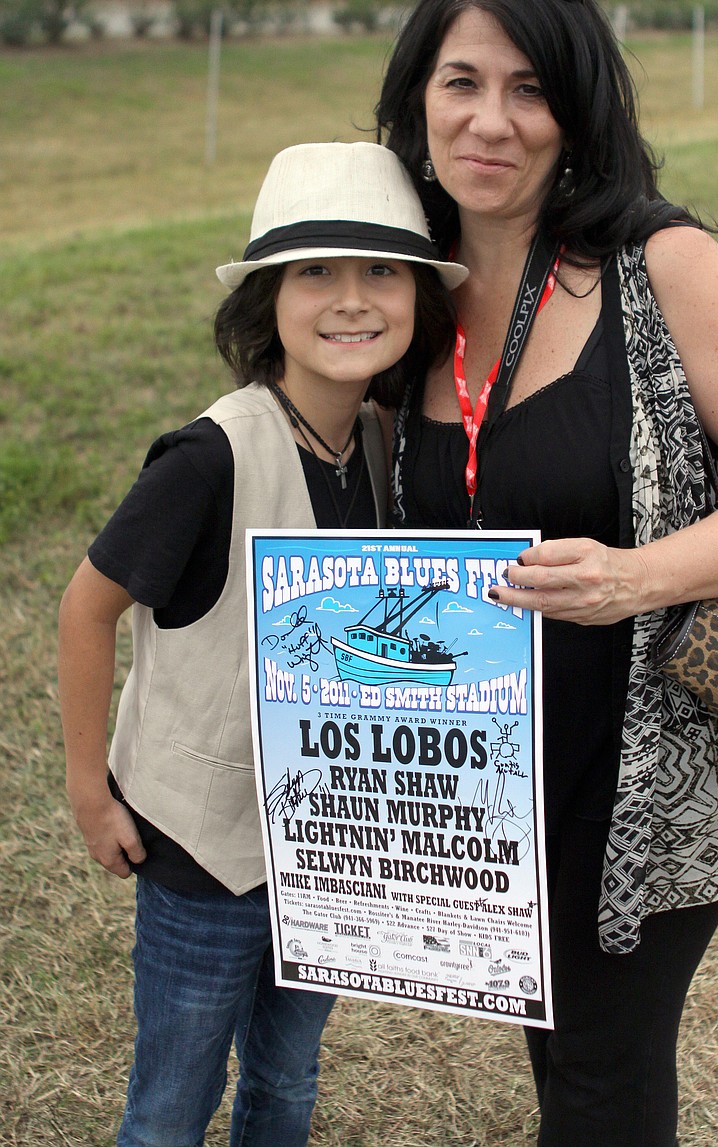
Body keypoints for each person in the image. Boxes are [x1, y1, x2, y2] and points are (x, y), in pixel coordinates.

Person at [375, 0, 718, 1145]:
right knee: (563, 1049)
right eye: (460, 82)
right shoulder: (392, 289)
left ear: (578, 107)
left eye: (529, 89)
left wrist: (634, 577)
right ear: (415, 100)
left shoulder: (660, 265)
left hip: (640, 761)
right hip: (473, 769)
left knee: (598, 1067)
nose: (490, 120)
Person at [57, 141, 465, 1147]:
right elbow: (84, 607)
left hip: (328, 849)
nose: (350, 299)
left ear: (417, 298)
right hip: (203, 847)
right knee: (171, 1104)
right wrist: (87, 789)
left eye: (380, 271)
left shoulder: (380, 444)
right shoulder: (211, 456)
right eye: (315, 271)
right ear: (267, 301)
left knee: (286, 1080)